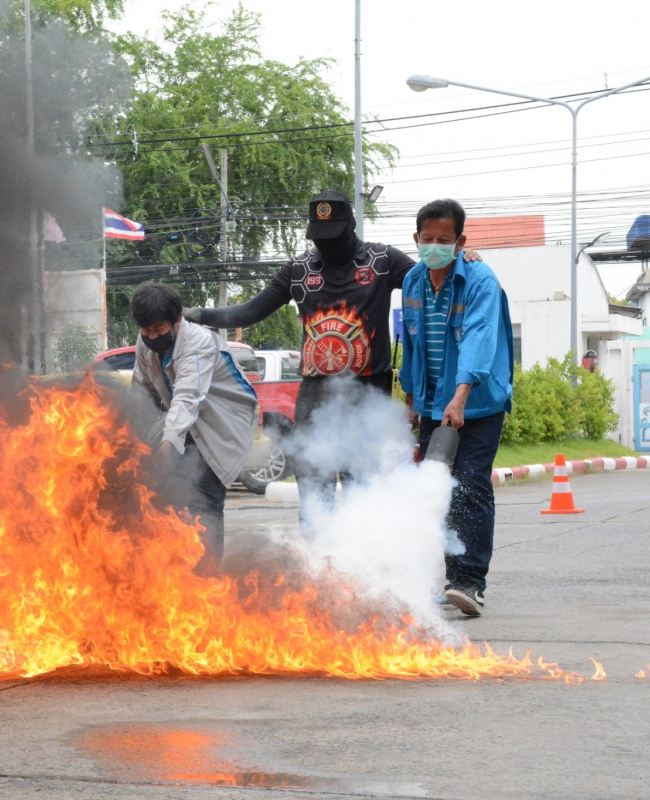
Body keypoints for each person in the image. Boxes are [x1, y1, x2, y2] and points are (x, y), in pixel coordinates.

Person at [186, 190, 459, 528]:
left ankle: (363, 558)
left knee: (363, 492)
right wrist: (198, 315)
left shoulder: (382, 261)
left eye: (333, 235)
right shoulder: (299, 269)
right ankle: (316, 559)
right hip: (313, 399)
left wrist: (463, 261)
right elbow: (251, 311)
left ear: (351, 226)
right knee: (315, 494)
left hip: (367, 399)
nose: (326, 244)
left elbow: (433, 280)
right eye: (319, 237)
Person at [399, 199, 514, 617]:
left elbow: (479, 339)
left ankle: (470, 582)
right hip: (433, 404)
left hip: (478, 403)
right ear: (416, 239)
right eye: (427, 239)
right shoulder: (412, 281)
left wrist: (461, 395)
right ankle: (453, 579)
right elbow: (411, 343)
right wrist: (411, 398)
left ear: (460, 242)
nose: (434, 246)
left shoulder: (481, 280)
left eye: (443, 240)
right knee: (439, 489)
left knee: (470, 483)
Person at [129, 281, 258, 573]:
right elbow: (141, 391)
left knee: (205, 497)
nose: (152, 336)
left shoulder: (197, 342)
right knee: (165, 495)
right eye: (146, 330)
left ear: (177, 319)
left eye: (158, 329)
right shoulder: (145, 340)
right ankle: (177, 570)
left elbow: (187, 398)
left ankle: (208, 579)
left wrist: (165, 450)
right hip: (181, 419)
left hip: (222, 420)